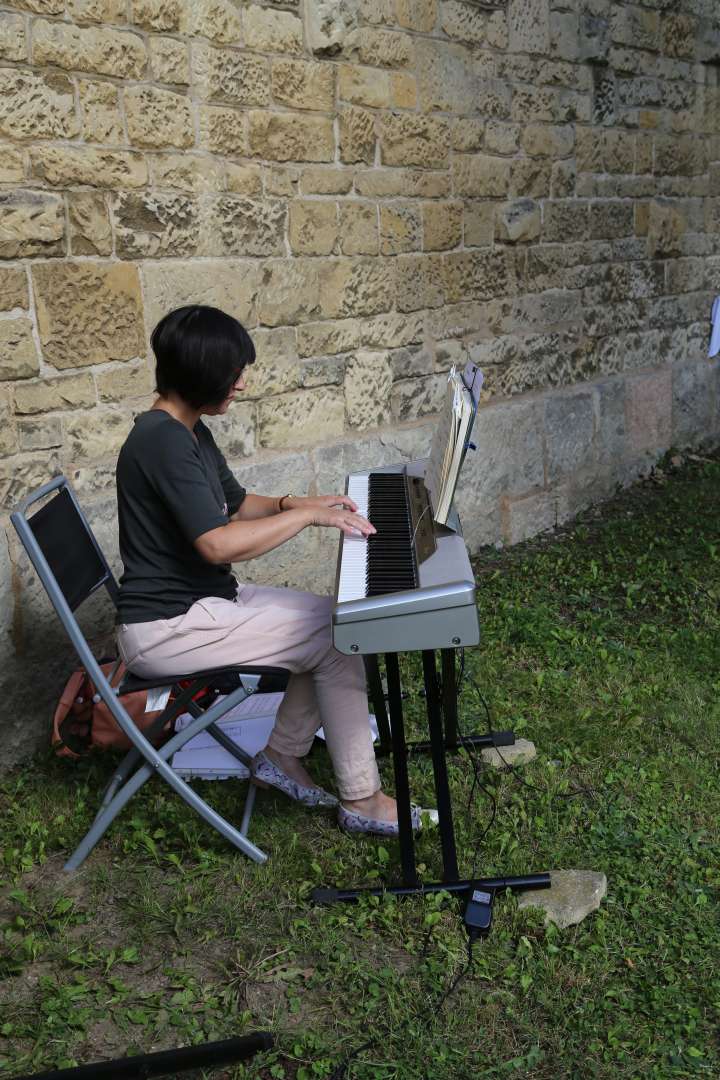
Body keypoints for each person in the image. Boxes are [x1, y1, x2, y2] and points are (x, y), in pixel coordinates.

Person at [115, 305, 431, 835]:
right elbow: (218, 544)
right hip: (169, 627)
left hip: (201, 606)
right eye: (232, 373)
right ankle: (362, 799)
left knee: (339, 621)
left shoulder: (186, 430)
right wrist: (309, 518)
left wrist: (297, 502)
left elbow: (237, 506)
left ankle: (282, 758)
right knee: (340, 635)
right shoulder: (161, 440)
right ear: (200, 374)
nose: (240, 384)